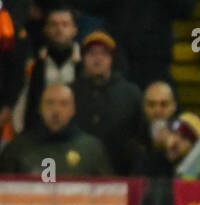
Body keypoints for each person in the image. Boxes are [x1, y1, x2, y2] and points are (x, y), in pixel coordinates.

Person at [0, 82, 113, 176]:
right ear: (40, 108)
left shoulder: (92, 149)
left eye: (63, 104)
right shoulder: (17, 148)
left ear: (73, 109)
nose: (56, 110)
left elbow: (108, 193)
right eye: (50, 103)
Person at [71, 31, 141, 174]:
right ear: (83, 59)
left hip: (119, 169)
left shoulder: (131, 92)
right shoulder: (70, 92)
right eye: (91, 54)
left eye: (103, 53)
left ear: (112, 59)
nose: (98, 59)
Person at [19, 5, 80, 133]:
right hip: (40, 134)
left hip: (77, 134)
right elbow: (27, 104)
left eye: (65, 24)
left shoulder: (84, 64)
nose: (59, 29)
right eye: (54, 24)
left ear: (74, 30)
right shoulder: (34, 66)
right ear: (46, 30)